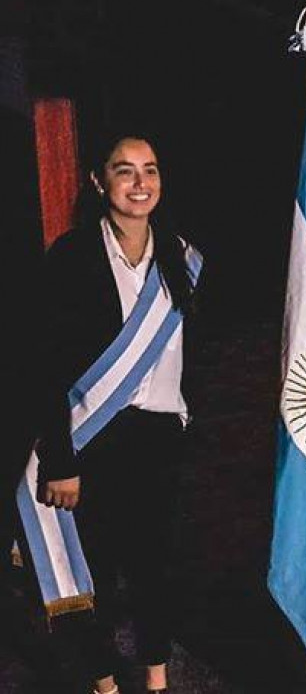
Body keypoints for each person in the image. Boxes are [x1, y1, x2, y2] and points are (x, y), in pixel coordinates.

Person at [36, 133, 202, 694]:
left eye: (150, 170)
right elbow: (45, 365)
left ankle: (156, 677)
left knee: (159, 570)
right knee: (97, 574)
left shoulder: (183, 257)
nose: (139, 183)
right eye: (124, 171)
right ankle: (103, 682)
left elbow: (199, 353)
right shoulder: (72, 255)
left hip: (160, 440)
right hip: (94, 441)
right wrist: (59, 458)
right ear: (98, 181)